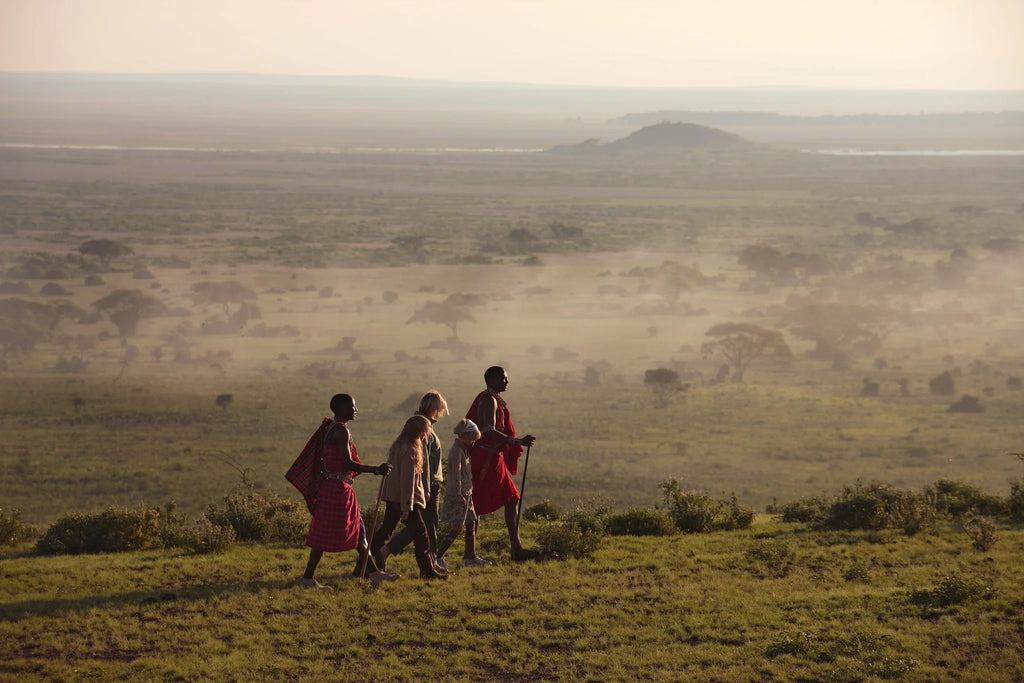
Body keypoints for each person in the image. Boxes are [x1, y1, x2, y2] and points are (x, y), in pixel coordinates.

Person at [298, 393, 396, 589]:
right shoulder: (340, 431)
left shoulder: (332, 427)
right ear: (342, 408)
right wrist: (376, 470)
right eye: (352, 406)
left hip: (334, 487)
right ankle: (308, 578)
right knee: (328, 532)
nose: (355, 410)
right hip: (337, 489)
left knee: (357, 530)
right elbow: (346, 462)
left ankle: (374, 573)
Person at [465, 366, 538, 562]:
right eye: (504, 378)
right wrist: (516, 441)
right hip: (484, 459)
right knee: (476, 505)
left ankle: (516, 548)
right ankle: (469, 554)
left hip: (491, 457)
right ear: (494, 378)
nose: (507, 381)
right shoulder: (488, 401)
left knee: (511, 498)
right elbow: (488, 431)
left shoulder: (494, 400)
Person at [370, 415, 448, 580]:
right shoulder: (411, 450)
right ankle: (427, 571)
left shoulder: (399, 445)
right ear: (420, 432)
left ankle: (365, 564)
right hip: (404, 500)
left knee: (385, 531)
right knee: (421, 535)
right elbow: (407, 480)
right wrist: (407, 506)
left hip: (394, 498)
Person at [435, 418, 492, 568]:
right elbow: (455, 476)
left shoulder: (463, 450)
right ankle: (438, 556)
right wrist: (458, 494)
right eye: (472, 438)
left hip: (467, 493)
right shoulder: (457, 451)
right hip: (459, 495)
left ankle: (470, 557)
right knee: (457, 527)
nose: (474, 441)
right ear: (466, 436)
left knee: (470, 522)